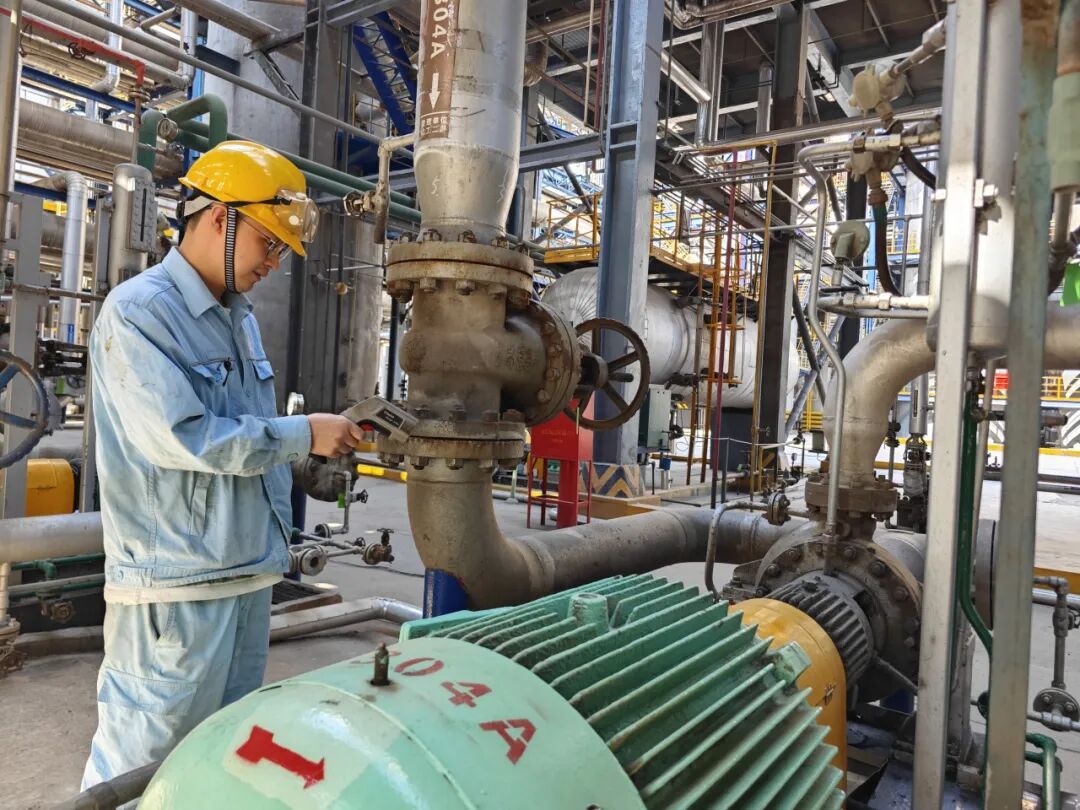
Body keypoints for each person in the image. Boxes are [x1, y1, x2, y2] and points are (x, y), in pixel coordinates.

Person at [81, 141, 364, 790]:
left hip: (246, 577)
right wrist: (303, 434)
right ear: (218, 218)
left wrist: (300, 448)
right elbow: (184, 438)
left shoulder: (239, 320)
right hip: (177, 589)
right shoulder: (139, 312)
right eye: (267, 243)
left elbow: (246, 436)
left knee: (218, 763)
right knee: (139, 770)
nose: (273, 263)